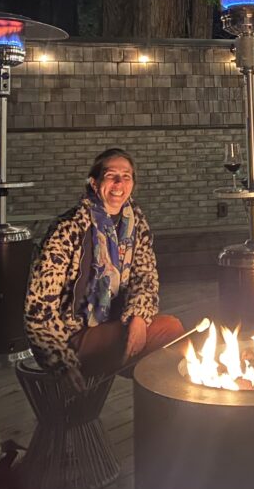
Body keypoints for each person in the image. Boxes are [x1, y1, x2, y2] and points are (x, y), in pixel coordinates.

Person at [25, 148, 184, 387]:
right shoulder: (68, 229)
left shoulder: (135, 224)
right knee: (168, 337)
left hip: (117, 321)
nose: (119, 183)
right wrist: (60, 361)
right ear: (94, 182)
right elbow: (38, 307)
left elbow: (145, 277)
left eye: (126, 176)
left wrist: (139, 317)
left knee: (172, 337)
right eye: (111, 176)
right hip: (71, 337)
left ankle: (160, 401)